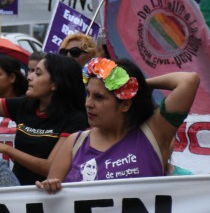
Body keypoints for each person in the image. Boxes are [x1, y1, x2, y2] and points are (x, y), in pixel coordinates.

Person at [36, 59, 198, 188]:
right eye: (88, 94)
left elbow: (189, 81)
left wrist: (138, 85)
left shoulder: (153, 134)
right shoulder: (75, 142)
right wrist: (50, 186)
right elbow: (52, 198)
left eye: (99, 97)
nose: (88, 103)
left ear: (125, 104)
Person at [0, 53, 87, 186]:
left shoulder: (75, 119)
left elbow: (50, 167)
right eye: (31, 71)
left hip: (47, 197)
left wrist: (7, 149)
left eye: (38, 73)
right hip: (18, 192)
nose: (29, 77)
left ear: (55, 84)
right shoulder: (25, 105)